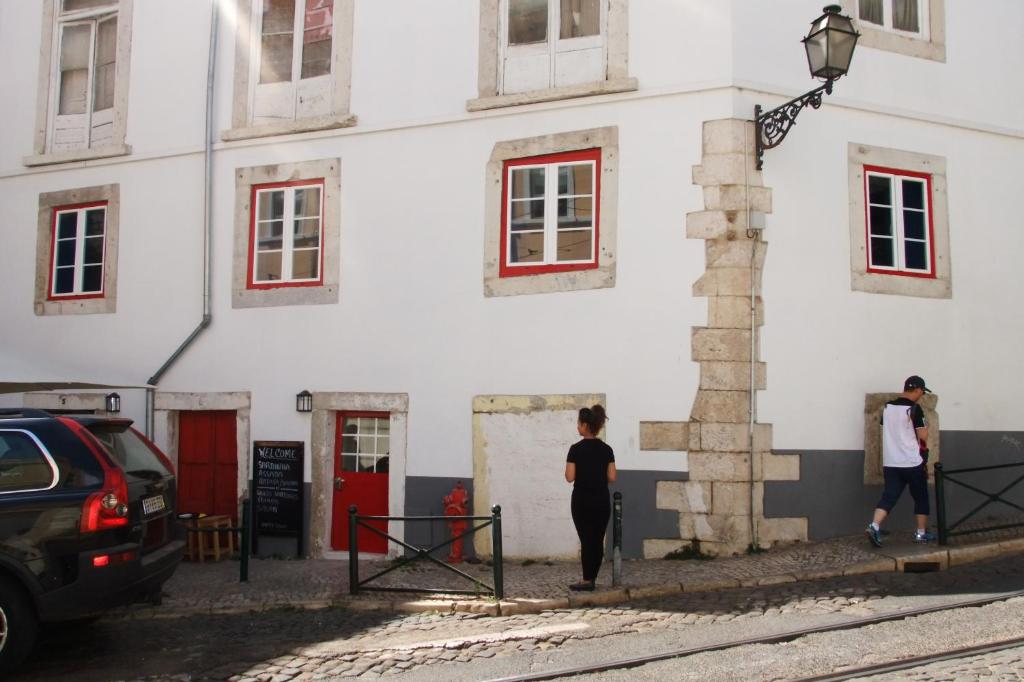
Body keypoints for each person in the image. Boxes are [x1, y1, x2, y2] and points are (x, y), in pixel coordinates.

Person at [866, 375, 935, 547]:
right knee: (921, 498)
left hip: (891, 462)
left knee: (889, 497)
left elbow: (886, 428)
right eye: (922, 392)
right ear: (918, 390)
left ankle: (874, 525)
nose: (921, 395)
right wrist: (926, 425)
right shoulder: (914, 409)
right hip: (912, 462)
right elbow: (923, 435)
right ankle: (921, 533)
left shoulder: (887, 408)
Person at [564, 404, 617, 591]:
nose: (577, 426)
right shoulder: (607, 449)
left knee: (586, 539)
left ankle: (587, 580)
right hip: (601, 499)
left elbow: (569, 477)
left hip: (582, 500)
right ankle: (592, 576)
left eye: (579, 423)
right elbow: (612, 477)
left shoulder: (575, 449)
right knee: (597, 538)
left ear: (585, 425)